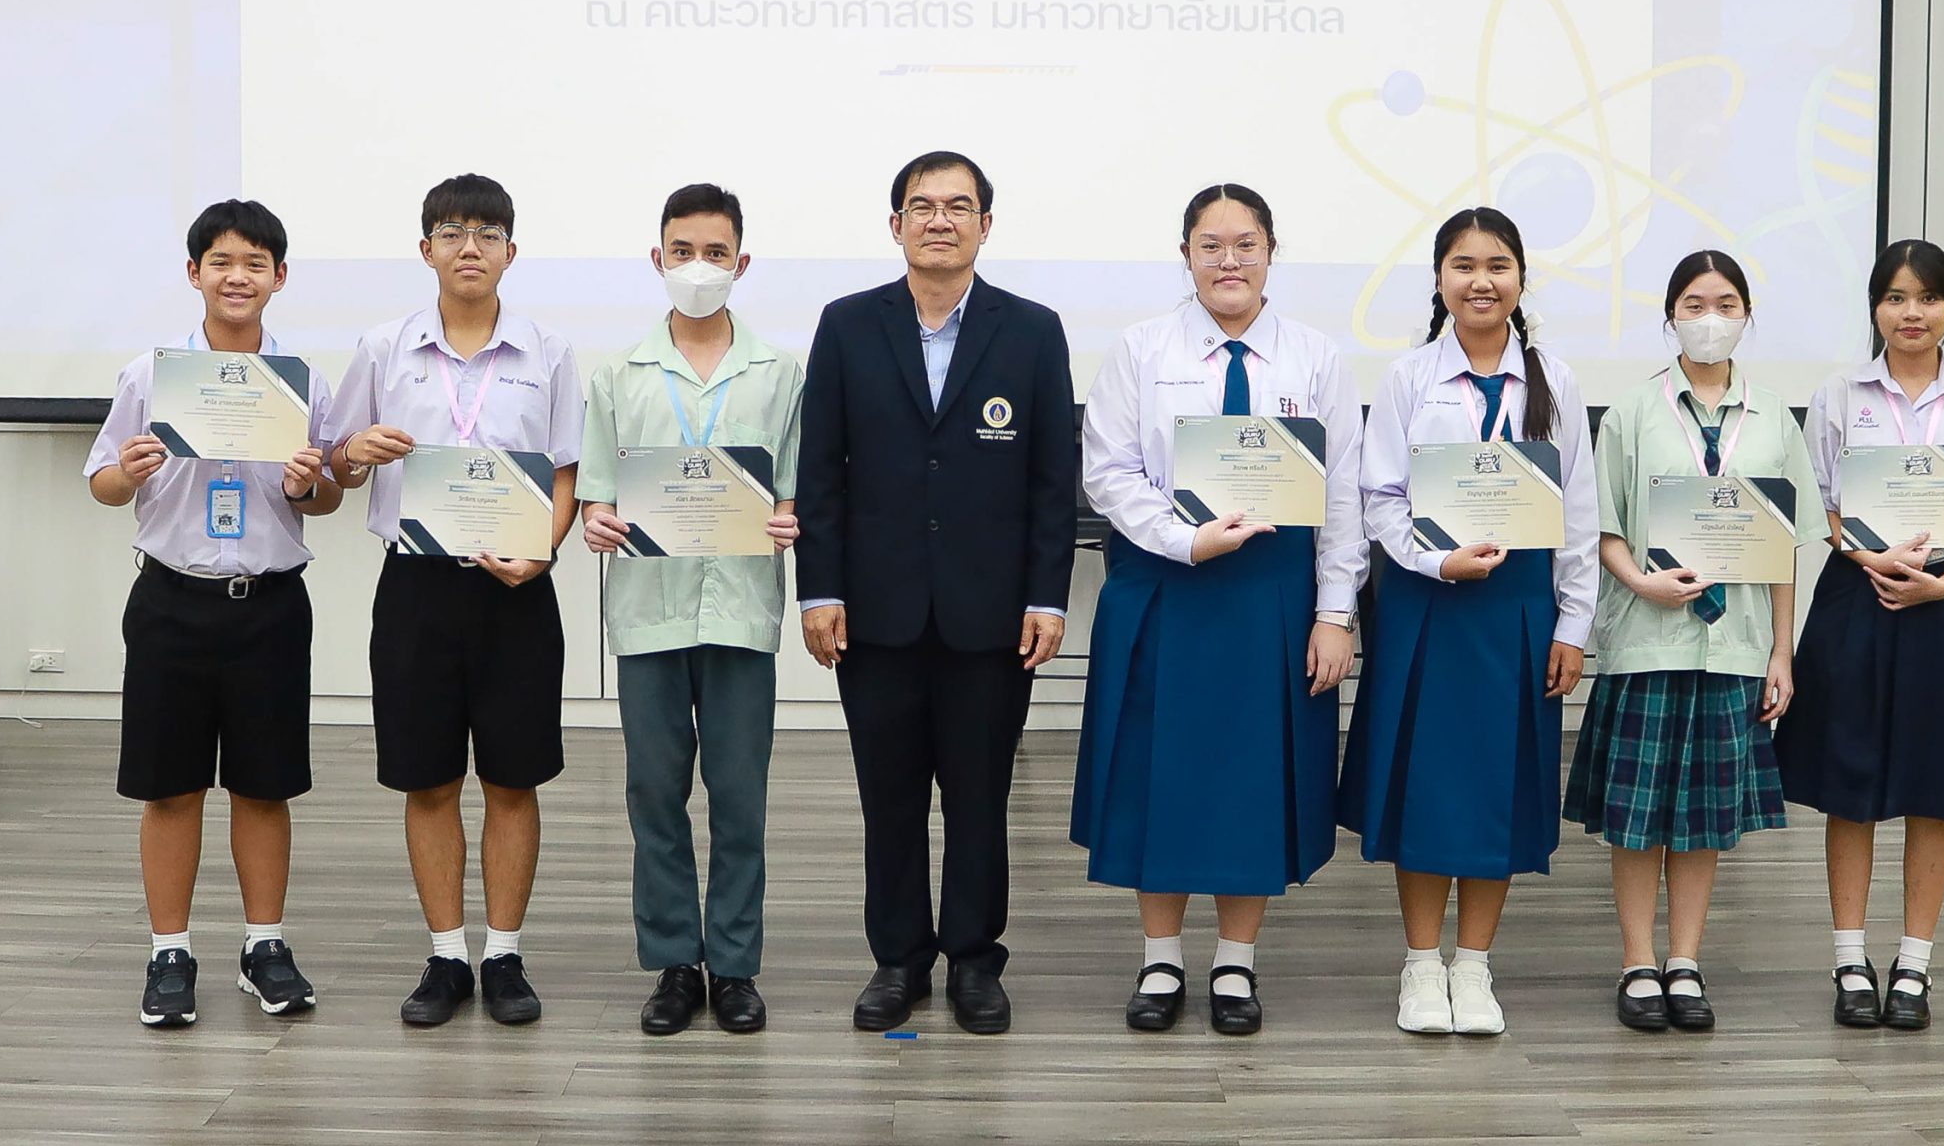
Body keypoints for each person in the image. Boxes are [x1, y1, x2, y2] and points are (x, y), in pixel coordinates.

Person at [795, 151, 1078, 1036]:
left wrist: (1048, 597)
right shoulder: (847, 325)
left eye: (960, 206)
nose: (941, 220)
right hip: (873, 610)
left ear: (986, 226)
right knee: (889, 799)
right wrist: (818, 589)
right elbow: (821, 471)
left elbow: (1052, 481)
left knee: (979, 797)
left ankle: (974, 959)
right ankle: (899, 959)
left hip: (991, 615)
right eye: (923, 206)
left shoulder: (1032, 331)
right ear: (896, 226)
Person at [1071, 183, 1364, 1036]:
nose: (1228, 260)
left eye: (1245, 244)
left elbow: (1343, 495)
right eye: (1210, 245)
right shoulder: (1141, 348)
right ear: (1186, 254)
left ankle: (1236, 961)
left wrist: (1335, 613)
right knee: (1154, 775)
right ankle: (1161, 958)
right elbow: (1109, 473)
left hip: (1274, 595)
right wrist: (1182, 539)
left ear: (1271, 251)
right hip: (1165, 584)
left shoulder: (1316, 357)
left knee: (1251, 778)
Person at [327, 174, 581, 1028]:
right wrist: (352, 451)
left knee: (513, 778)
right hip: (417, 589)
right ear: (426, 247)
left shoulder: (548, 351)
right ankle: (445, 955)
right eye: (451, 231)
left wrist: (542, 550)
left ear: (511, 250)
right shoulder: (382, 347)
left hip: (516, 592)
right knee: (428, 779)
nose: (469, 246)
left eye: (487, 233)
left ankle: (503, 954)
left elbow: (567, 470)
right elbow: (335, 461)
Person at [84, 199, 342, 1028]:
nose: (239, 277)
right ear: (194, 272)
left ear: (279, 277)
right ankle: (170, 951)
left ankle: (264, 945)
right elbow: (103, 482)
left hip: (269, 606)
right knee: (171, 788)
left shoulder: (302, 381)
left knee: (265, 787)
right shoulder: (150, 376)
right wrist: (128, 469)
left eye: (256, 263)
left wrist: (309, 484)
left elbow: (328, 496)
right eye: (222, 262)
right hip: (173, 601)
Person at [1343, 207, 1597, 1037]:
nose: (1481, 280)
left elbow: (1580, 513)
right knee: (1426, 787)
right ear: (1439, 279)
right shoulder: (1409, 377)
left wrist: (1573, 623)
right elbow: (1379, 499)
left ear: (1521, 278)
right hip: (1428, 603)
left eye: (1497, 265)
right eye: (1463, 265)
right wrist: (1434, 560)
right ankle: (1422, 965)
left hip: (1518, 607)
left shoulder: (1556, 381)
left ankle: (1475, 965)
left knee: (1497, 785)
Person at [1778, 240, 1944, 1032]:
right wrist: (1869, 554)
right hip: (1859, 599)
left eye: (1927, 297)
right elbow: (1818, 501)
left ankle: (1915, 964)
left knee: (1936, 784)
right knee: (1849, 782)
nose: (1911, 312)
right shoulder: (1837, 394)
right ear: (1875, 308)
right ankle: (1850, 958)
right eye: (1894, 297)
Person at [1566, 250, 1819, 1031]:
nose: (1711, 318)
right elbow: (1603, 528)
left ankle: (1685, 959)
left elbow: (1783, 546)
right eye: (1695, 304)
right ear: (1671, 314)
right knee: (1638, 815)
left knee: (1704, 818)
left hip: (1734, 643)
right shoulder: (1633, 413)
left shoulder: (1772, 416)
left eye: (1726, 303)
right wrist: (1640, 581)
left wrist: (1781, 652)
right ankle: (1637, 960)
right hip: (1649, 636)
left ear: (1747, 314)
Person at [580, 184, 804, 1037]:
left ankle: (735, 964)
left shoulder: (780, 373)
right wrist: (598, 520)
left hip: (741, 609)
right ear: (658, 258)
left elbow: (794, 485)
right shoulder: (618, 375)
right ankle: (676, 961)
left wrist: (791, 517)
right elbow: (598, 492)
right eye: (683, 251)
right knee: (655, 793)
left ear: (742, 262)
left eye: (715, 253)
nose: (699, 267)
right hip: (649, 612)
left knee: (740, 795)